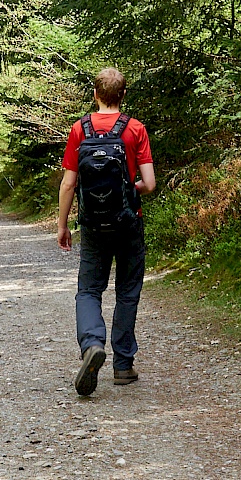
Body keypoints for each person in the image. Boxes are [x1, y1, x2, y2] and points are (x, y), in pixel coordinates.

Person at [57, 67, 155, 396]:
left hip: (93, 226)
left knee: (88, 291)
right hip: (128, 222)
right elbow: (150, 184)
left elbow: (69, 183)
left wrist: (63, 225)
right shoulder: (135, 129)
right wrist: (129, 189)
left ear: (95, 94)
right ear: (122, 95)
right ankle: (123, 366)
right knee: (127, 293)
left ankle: (91, 346)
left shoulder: (79, 129)